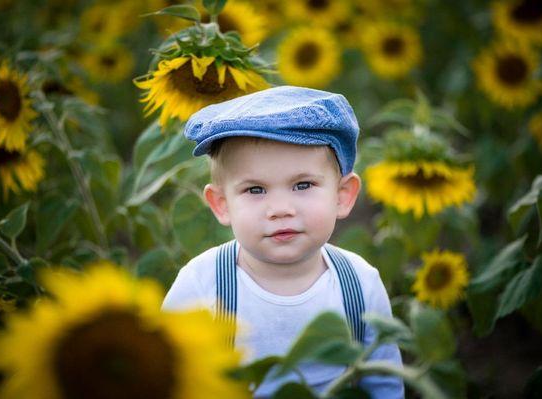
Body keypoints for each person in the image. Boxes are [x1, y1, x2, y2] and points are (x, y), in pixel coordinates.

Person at [162, 86, 404, 398]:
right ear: (221, 204)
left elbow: (385, 384)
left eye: (303, 185)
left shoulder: (359, 283)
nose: (280, 209)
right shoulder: (202, 283)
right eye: (255, 190)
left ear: (342, 196)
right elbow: (166, 377)